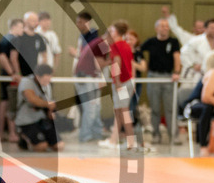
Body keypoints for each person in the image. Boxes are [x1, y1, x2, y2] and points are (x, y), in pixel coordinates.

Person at [68, 11, 108, 143]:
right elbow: (99, 63)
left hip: (89, 77)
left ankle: (96, 133)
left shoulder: (96, 39)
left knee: (96, 107)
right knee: (90, 108)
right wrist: (102, 78)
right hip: (86, 77)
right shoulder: (100, 43)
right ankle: (85, 136)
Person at [99, 21, 138, 152]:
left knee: (122, 111)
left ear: (116, 32)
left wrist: (117, 81)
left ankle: (123, 140)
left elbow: (117, 62)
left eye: (112, 30)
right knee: (122, 111)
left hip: (122, 82)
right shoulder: (126, 45)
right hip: (128, 81)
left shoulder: (116, 45)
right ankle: (121, 139)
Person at [141, 18, 181, 145]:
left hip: (168, 77)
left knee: (170, 108)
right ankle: (155, 134)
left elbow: (177, 58)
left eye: (166, 26)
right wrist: (144, 64)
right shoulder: (151, 42)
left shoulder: (173, 42)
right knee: (155, 108)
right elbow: (139, 51)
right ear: (157, 28)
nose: (164, 28)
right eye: (162, 26)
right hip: (154, 76)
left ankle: (173, 135)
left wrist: (176, 72)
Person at [16, 64, 62, 152]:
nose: (50, 78)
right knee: (41, 146)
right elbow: (32, 99)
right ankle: (24, 139)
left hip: (41, 119)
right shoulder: (26, 81)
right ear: (39, 76)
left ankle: (44, 140)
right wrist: (48, 104)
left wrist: (50, 111)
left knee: (59, 145)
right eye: (48, 75)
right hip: (27, 121)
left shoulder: (47, 86)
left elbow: (49, 103)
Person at [180, 19, 214, 106]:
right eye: (212, 28)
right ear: (205, 28)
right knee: (197, 97)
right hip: (199, 74)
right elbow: (184, 53)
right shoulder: (196, 40)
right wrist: (192, 65)